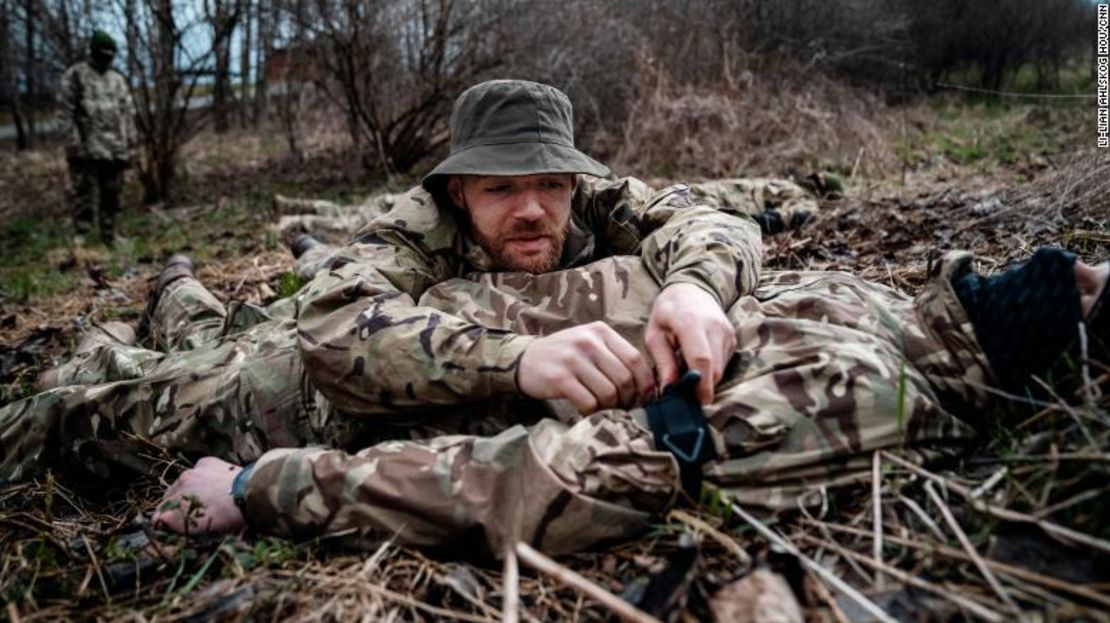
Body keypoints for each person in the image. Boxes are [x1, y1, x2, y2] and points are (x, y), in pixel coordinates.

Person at [3, 80, 1106, 557]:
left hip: (353, 399)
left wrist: (691, 287)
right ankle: (153, 301)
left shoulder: (597, 204)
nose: (531, 207)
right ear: (454, 191)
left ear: (576, 179)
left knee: (190, 316)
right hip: (270, 388)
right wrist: (519, 354)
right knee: (74, 408)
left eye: (550, 184)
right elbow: (337, 336)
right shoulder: (401, 229)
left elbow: (711, 225)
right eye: (498, 188)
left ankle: (172, 288)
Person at [57, 30, 138, 246]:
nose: (108, 57)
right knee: (83, 193)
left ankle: (110, 235)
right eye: (104, 52)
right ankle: (82, 236)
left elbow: (127, 113)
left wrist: (131, 144)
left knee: (113, 194)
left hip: (115, 149)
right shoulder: (76, 75)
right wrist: (74, 146)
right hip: (87, 148)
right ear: (93, 52)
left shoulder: (117, 80)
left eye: (111, 53)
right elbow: (65, 114)